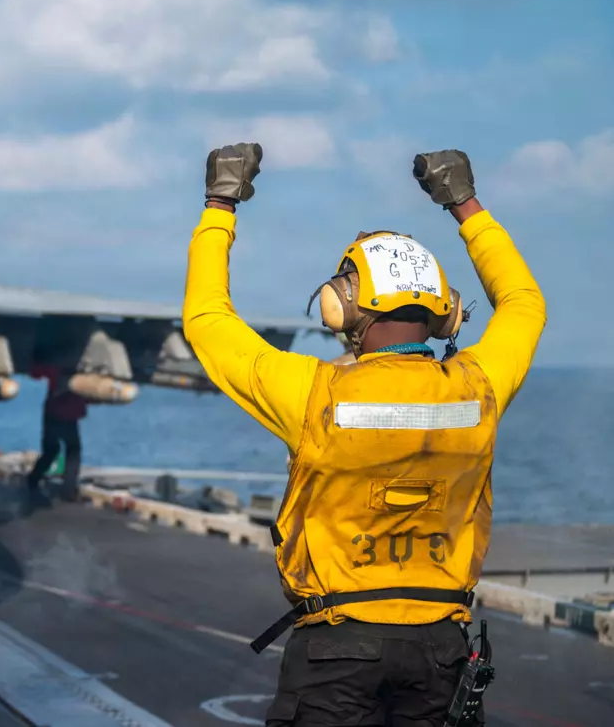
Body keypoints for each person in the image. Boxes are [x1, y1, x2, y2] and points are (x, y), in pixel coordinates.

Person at [182, 144, 545, 725]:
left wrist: (220, 202)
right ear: (446, 312)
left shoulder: (312, 394)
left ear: (341, 306)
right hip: (442, 654)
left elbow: (207, 318)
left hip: (335, 654)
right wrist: (465, 204)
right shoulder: (479, 389)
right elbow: (524, 305)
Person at [22, 363, 85, 508]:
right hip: (69, 412)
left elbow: (36, 372)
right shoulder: (81, 368)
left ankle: (33, 480)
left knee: (52, 450)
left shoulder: (59, 362)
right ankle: (68, 491)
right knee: (73, 451)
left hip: (54, 410)